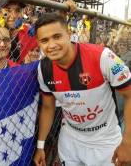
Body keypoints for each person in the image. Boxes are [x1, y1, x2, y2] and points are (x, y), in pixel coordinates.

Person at [33, 13, 131, 166]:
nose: (51, 45)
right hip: (70, 141)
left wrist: (128, 142)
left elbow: (130, 96)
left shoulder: (102, 57)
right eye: (44, 40)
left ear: (69, 34)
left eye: (57, 36)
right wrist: (40, 146)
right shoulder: (43, 68)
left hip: (105, 142)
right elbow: (47, 107)